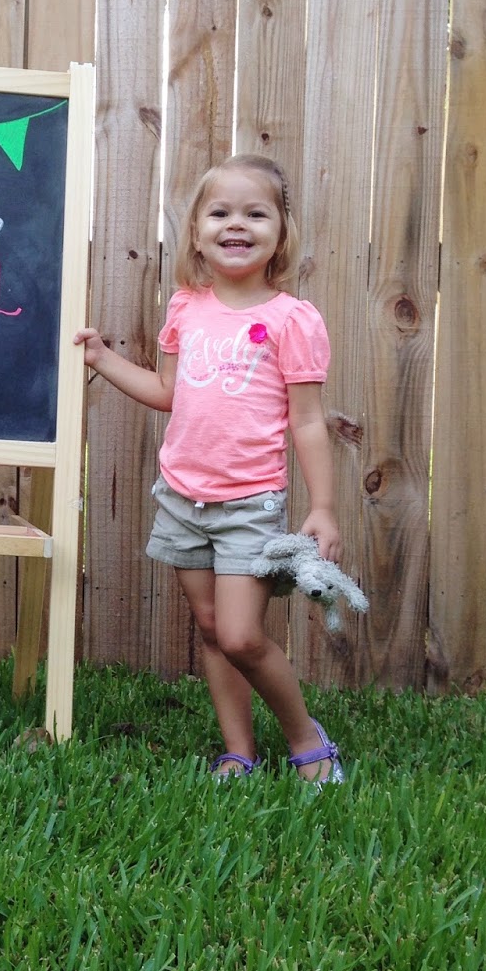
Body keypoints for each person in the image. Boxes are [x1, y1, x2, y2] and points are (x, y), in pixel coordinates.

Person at [74, 153, 345, 784]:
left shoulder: (291, 320)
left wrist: (324, 507)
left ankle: (308, 741)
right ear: (196, 233)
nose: (237, 224)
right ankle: (238, 751)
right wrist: (104, 359)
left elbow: (308, 421)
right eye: (220, 212)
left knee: (242, 635)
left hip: (249, 501)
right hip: (181, 496)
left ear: (281, 233)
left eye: (256, 214)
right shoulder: (186, 308)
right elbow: (169, 392)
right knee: (211, 628)